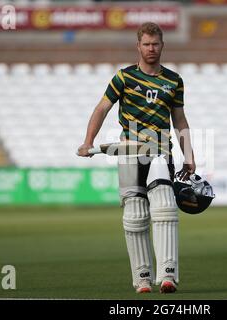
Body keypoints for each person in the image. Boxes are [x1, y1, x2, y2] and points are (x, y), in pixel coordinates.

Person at [77, 22, 196, 294]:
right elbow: (102, 108)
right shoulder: (123, 77)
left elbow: (179, 119)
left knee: (165, 207)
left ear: (162, 45)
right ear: (138, 46)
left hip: (159, 151)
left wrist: (189, 153)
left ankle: (167, 275)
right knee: (135, 215)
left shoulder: (174, 80)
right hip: (130, 152)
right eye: (146, 44)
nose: (151, 49)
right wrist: (88, 142)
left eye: (155, 44)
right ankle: (142, 278)